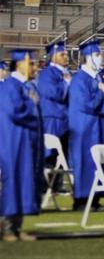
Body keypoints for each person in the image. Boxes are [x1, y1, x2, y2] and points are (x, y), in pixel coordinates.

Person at [67, 40, 104, 212]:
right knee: (86, 163)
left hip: (98, 127)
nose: (100, 58)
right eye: (96, 55)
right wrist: (100, 91)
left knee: (98, 165)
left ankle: (94, 199)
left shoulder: (97, 78)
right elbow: (87, 104)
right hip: (85, 129)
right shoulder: (80, 79)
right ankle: (81, 200)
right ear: (87, 57)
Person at [1, 48, 42, 242]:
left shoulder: (29, 86)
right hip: (13, 141)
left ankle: (17, 227)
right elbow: (15, 112)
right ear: (20, 63)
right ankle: (7, 228)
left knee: (25, 182)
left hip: (27, 141)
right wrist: (32, 106)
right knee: (13, 182)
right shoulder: (9, 86)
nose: (35, 66)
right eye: (31, 63)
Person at [37, 41, 71, 192]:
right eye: (62, 54)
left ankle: (57, 184)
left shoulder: (65, 74)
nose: (66, 56)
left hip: (64, 119)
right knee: (49, 153)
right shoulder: (46, 74)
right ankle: (44, 185)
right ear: (52, 56)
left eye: (66, 54)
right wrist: (66, 83)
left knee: (61, 154)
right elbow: (53, 93)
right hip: (51, 118)